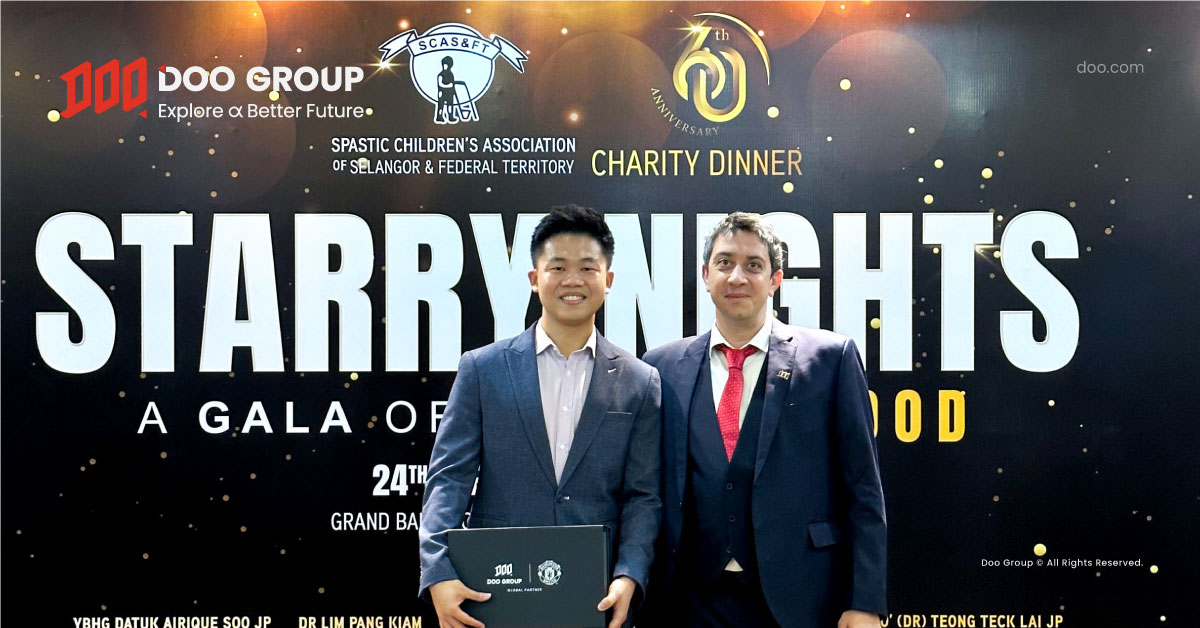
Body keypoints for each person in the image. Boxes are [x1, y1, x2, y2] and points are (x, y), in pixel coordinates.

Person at [418, 205, 662, 628]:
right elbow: (449, 478)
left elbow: (642, 496)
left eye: (588, 268)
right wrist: (437, 569)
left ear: (608, 280)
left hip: (595, 595)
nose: (573, 280)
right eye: (558, 267)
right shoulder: (482, 369)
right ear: (535, 278)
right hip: (495, 591)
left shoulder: (640, 381)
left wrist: (630, 574)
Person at [642, 212, 886, 628]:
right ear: (705, 275)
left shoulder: (830, 359)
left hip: (802, 599)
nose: (737, 277)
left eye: (753, 265)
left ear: (775, 280)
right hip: (690, 603)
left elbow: (863, 487)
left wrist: (865, 601)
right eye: (724, 263)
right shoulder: (661, 366)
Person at [435, 55, 458, 123]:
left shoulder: (451, 74)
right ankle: (439, 116)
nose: (445, 66)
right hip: (442, 93)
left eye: (447, 65)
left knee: (450, 105)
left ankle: (450, 116)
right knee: (441, 106)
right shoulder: (440, 75)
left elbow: (452, 84)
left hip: (450, 93)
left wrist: (453, 91)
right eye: (444, 64)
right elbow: (440, 84)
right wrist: (449, 85)